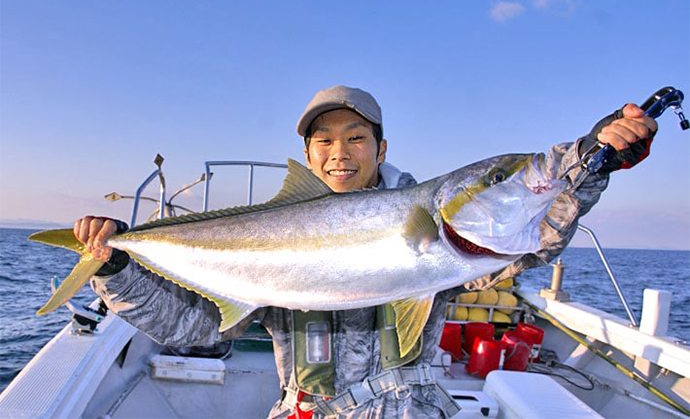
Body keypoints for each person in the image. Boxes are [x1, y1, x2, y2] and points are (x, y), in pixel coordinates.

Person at [75, 85, 657, 418]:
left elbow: (536, 228)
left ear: (381, 149)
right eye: (324, 140)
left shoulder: (446, 241)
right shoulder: (275, 234)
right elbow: (191, 327)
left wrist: (590, 160)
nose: (340, 152)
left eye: (357, 137)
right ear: (307, 158)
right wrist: (119, 264)